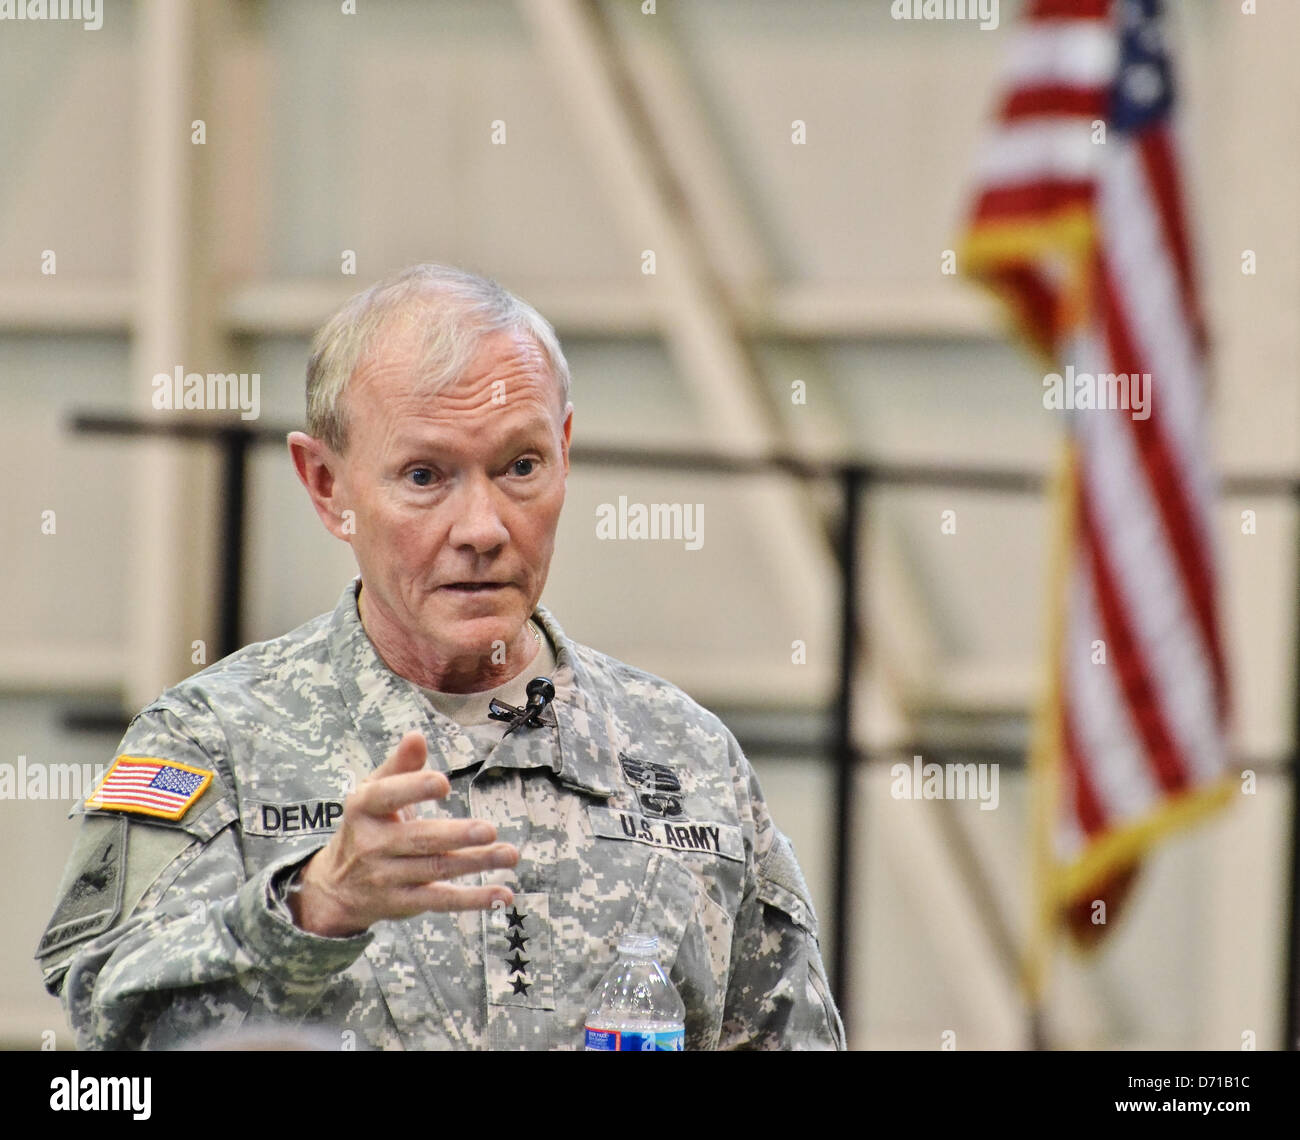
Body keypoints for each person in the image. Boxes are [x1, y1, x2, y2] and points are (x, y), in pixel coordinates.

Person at [36, 263, 845, 1051]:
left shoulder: (686, 754)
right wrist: (312, 909)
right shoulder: (213, 743)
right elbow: (112, 1030)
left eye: (520, 467)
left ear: (564, 452)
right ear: (326, 486)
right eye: (425, 476)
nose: (484, 528)